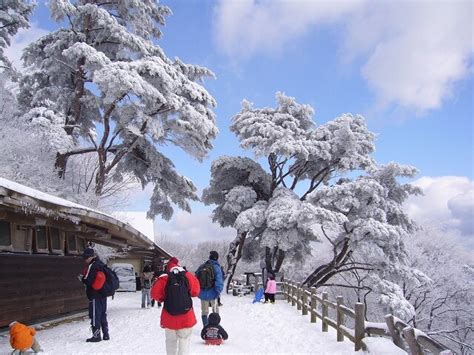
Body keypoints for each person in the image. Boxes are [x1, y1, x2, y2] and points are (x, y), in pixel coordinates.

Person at [151, 257, 200, 355]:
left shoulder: (164, 277)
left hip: (169, 316)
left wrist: (163, 298)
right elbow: (196, 292)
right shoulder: (188, 276)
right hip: (186, 317)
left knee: (170, 342)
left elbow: (154, 294)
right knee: (184, 341)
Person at [79, 247, 109, 342]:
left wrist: (82, 278)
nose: (85, 260)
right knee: (103, 314)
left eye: (85, 258)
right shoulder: (101, 264)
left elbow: (88, 281)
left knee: (95, 315)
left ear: (89, 257)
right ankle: (106, 334)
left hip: (95, 295)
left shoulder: (93, 266)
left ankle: (96, 336)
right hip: (103, 294)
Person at [196, 251, 224, 326]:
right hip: (213, 293)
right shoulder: (217, 267)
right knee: (215, 311)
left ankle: (205, 327)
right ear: (217, 258)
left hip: (202, 293)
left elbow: (195, 278)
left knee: (204, 311)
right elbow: (219, 281)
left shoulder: (201, 266)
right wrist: (218, 291)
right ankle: (216, 327)